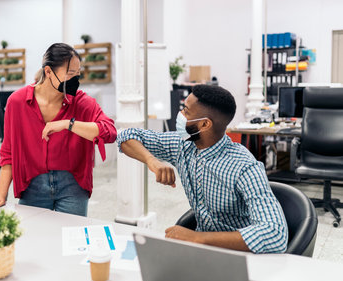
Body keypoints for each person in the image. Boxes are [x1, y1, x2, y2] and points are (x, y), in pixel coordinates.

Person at [117, 84, 288, 253]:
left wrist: (197, 238)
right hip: (202, 252)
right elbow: (126, 136)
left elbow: (275, 233)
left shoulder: (244, 166)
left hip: (238, 254)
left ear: (205, 125)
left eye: (186, 111)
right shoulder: (183, 145)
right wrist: (151, 161)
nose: (180, 115)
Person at [0, 43, 117, 216]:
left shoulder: (82, 103)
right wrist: (1, 194)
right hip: (33, 185)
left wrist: (69, 124)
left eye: (77, 74)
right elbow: (8, 151)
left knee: (70, 238)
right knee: (35, 239)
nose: (75, 79)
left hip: (73, 186)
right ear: (48, 72)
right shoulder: (17, 102)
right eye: (70, 74)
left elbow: (110, 132)